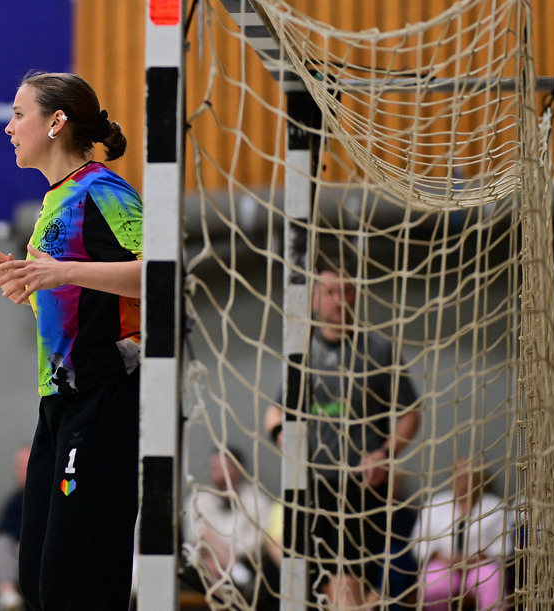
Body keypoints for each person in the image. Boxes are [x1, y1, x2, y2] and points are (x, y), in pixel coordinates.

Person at [0, 71, 142, 610]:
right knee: (38, 577)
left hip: (105, 393)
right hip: (59, 400)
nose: (9, 127)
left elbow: (161, 275)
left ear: (56, 122)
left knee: (76, 580)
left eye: (18, 114)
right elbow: (79, 293)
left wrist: (59, 272)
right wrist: (30, 284)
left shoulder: (103, 190)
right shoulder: (56, 199)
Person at [263, 256, 421, 608]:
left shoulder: (378, 350)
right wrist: (281, 434)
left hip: (359, 488)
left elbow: (410, 413)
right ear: (314, 298)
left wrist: (385, 454)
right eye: (332, 291)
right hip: (310, 487)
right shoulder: (301, 351)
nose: (340, 299)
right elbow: (274, 411)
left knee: (347, 583)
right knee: (314, 588)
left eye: (347, 291)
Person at [412, 458, 511, 610]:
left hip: (481, 564)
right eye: (458, 476)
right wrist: (441, 557)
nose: (463, 481)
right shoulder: (435, 504)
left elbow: (505, 545)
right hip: (443, 563)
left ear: (479, 478)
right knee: (433, 586)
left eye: (469, 476)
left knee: (492, 582)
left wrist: (479, 557)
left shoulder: (495, 506)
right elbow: (418, 541)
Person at [183, 447, 274, 605]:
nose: (220, 475)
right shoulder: (198, 500)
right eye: (215, 469)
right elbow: (196, 539)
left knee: (211, 557)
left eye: (226, 468)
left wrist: (218, 551)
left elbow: (253, 546)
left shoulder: (257, 501)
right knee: (207, 559)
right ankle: (232, 578)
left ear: (239, 470)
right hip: (206, 568)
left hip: (248, 566)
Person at [0, 446, 30, 611]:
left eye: (25, 466)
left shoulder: (53, 496)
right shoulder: (15, 499)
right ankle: (7, 591)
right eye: (18, 467)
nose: (20, 472)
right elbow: (4, 528)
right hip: (15, 558)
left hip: (41, 556)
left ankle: (6, 591)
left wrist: (26, 543)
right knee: (0, 543)